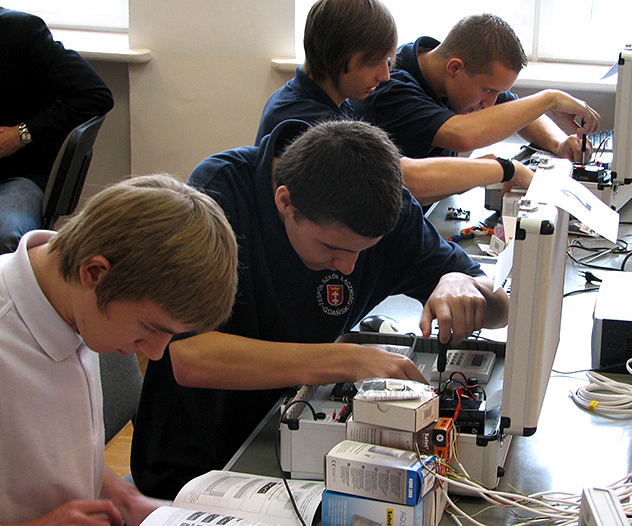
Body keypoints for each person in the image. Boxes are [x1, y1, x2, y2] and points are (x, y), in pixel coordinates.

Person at [131, 119, 510, 500]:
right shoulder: (222, 194)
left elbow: (502, 310)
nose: (347, 266)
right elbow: (190, 356)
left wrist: (460, 282)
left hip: (308, 446)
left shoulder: (385, 207)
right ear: (285, 202)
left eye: (363, 251)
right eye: (332, 248)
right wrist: (349, 360)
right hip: (202, 460)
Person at [0, 175, 238, 526]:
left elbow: (45, 452)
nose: (157, 353)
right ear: (95, 273)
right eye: (150, 328)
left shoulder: (69, 300)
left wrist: (124, 498)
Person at [254, 0, 534, 207]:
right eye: (375, 62)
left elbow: (405, 190)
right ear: (339, 56)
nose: (385, 75)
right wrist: (504, 169)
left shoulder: (340, 106)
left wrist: (478, 172)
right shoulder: (300, 118)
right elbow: (407, 178)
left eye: (388, 62)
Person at [353, 13, 601, 163]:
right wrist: (550, 99)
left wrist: (560, 143)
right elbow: (462, 135)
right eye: (489, 90)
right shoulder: (391, 87)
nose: (490, 103)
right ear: (454, 68)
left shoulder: (455, 78)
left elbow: (518, 112)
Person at [0, 7, 115, 254]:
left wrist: (21, 134)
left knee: (4, 234)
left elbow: (95, 95)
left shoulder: (19, 30)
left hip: (19, 174)